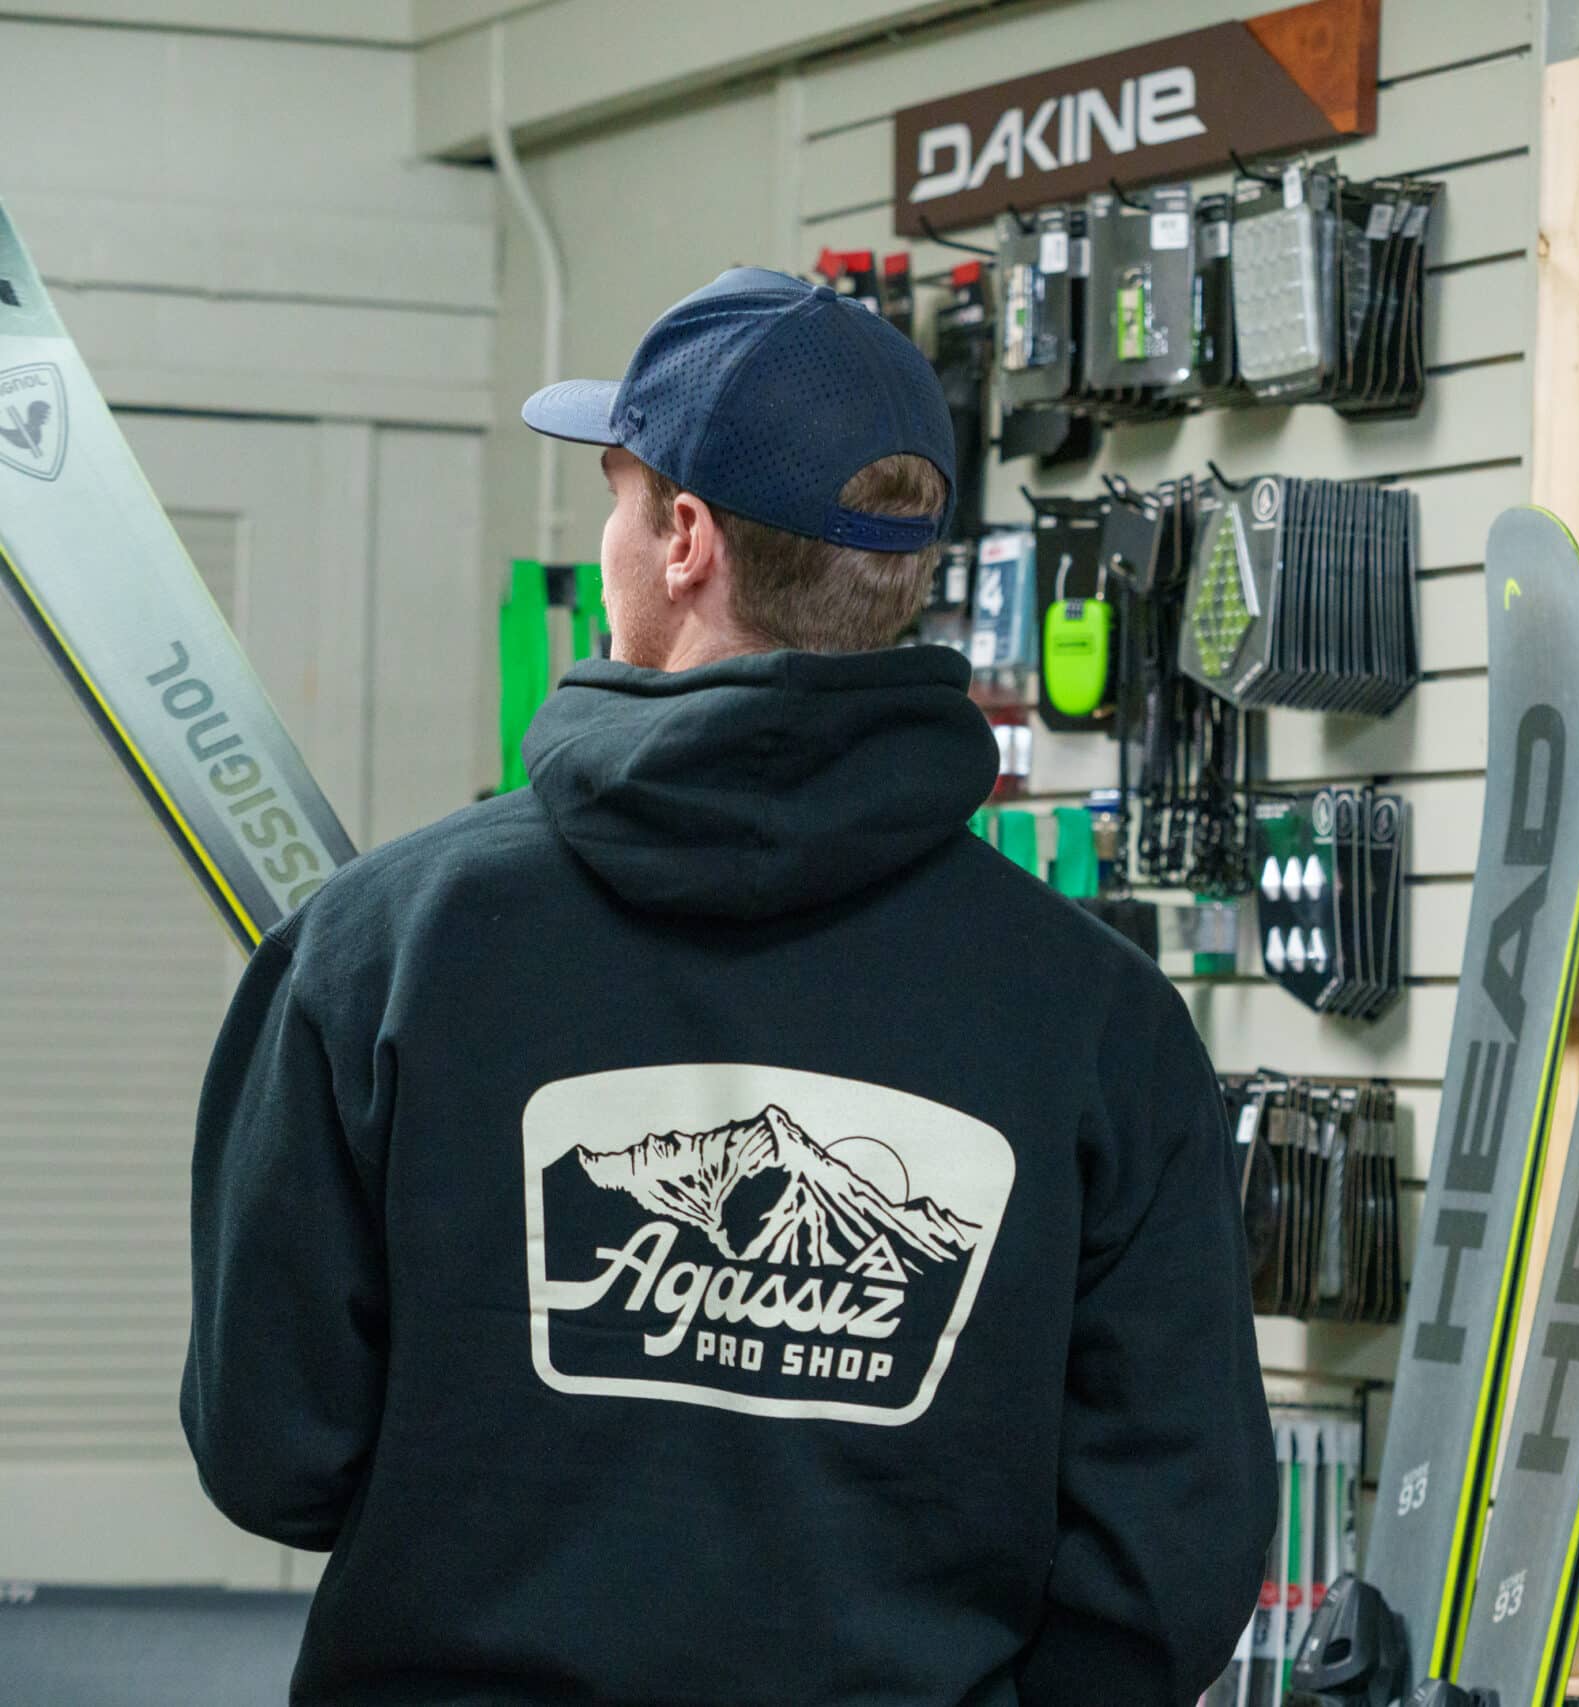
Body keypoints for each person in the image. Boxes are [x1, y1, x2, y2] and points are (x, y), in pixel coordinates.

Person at [182, 267, 1274, 1706]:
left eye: (618, 493)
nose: (612, 533)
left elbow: (273, 1447)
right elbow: (1173, 1534)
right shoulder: (1102, 1016)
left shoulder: (380, 945)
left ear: (684, 537)